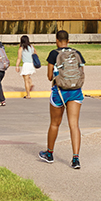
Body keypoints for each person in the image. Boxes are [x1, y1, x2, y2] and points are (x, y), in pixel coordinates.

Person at [40, 30, 85, 170]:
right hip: (75, 92)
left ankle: (49, 153)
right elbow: (81, 72)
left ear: (56, 40)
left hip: (59, 92)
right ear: (68, 40)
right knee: (74, 125)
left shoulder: (54, 54)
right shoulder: (77, 53)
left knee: (55, 123)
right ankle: (76, 158)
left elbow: (49, 77)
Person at [17, 34, 39, 99]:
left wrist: (17, 65)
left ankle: (28, 94)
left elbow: (19, 58)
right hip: (31, 64)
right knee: (26, 77)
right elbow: (35, 54)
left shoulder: (21, 48)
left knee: (25, 80)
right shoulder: (32, 47)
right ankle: (31, 84)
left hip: (26, 64)